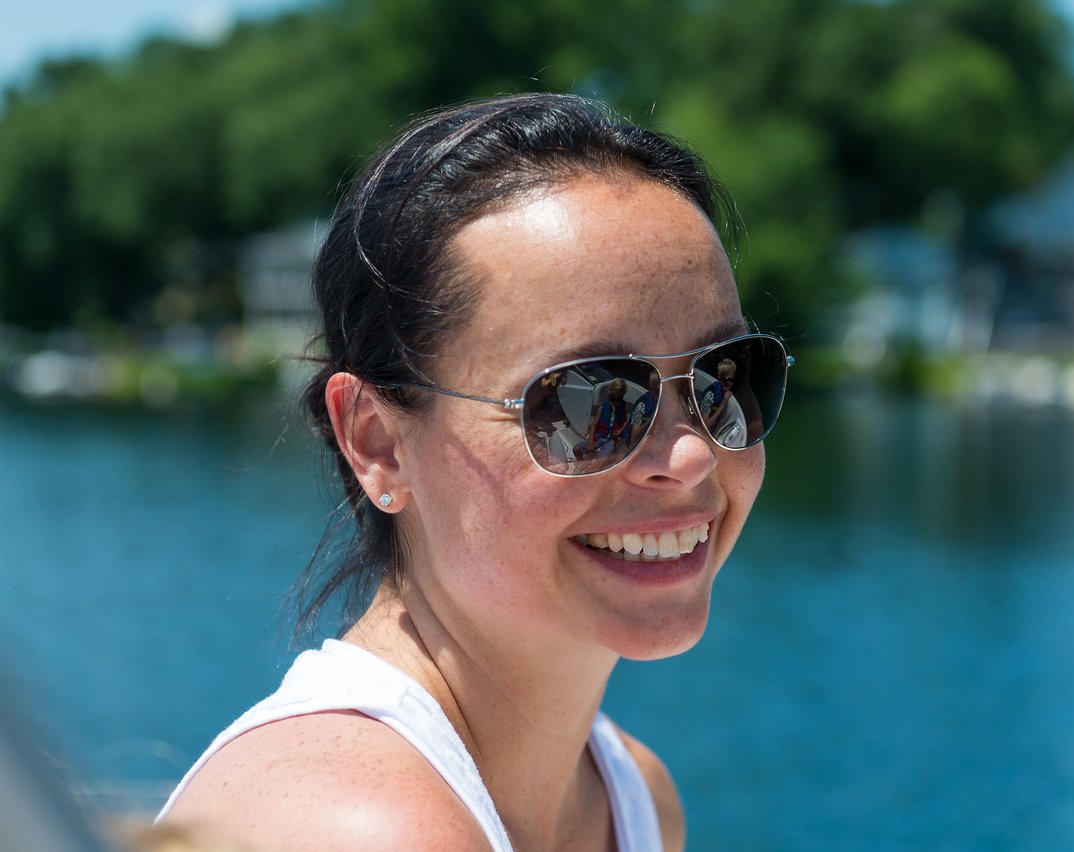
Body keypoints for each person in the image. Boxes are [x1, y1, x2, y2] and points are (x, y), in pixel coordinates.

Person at [157, 93, 792, 851]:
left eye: (726, 377)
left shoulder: (637, 800)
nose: (690, 456)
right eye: (587, 401)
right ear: (377, 443)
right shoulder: (357, 830)